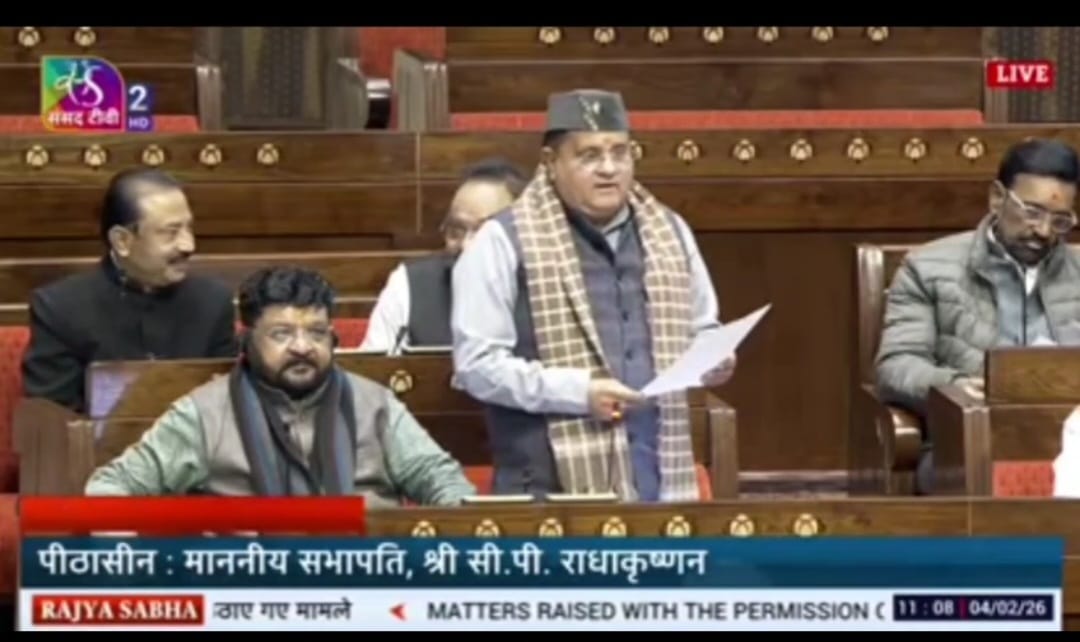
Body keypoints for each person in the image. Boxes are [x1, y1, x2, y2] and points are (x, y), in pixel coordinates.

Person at [450, 89, 734, 503]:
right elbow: (476, 366)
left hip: (659, 481)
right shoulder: (501, 241)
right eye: (589, 156)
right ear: (550, 162)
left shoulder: (670, 231)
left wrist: (714, 357)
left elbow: (703, 327)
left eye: (620, 153)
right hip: (547, 492)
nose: (609, 169)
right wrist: (577, 392)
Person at [85, 266, 476, 505]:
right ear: (247, 341)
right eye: (282, 334)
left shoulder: (374, 405)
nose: (303, 347)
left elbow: (442, 480)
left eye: (316, 333)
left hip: (369, 580)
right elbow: (110, 488)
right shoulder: (204, 414)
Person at [876, 138, 1080, 492]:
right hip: (969, 446)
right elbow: (896, 366)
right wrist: (955, 386)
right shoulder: (928, 268)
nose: (1044, 231)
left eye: (1060, 221)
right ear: (997, 198)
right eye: (1032, 213)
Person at [22, 168, 237, 412]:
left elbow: (225, 407)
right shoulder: (60, 308)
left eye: (189, 228)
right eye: (171, 233)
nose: (188, 245)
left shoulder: (213, 302)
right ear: (122, 241)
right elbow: (53, 418)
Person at [359, 158, 526, 353]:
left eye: (483, 232)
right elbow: (373, 368)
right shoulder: (409, 284)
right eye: (456, 231)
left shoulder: (543, 287)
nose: (466, 245)